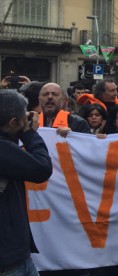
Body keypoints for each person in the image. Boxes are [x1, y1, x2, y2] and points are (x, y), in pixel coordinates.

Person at [0, 89, 52, 276]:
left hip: (15, 254)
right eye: (23, 118)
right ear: (13, 122)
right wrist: (30, 134)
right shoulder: (3, 149)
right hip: (9, 258)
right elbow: (42, 169)